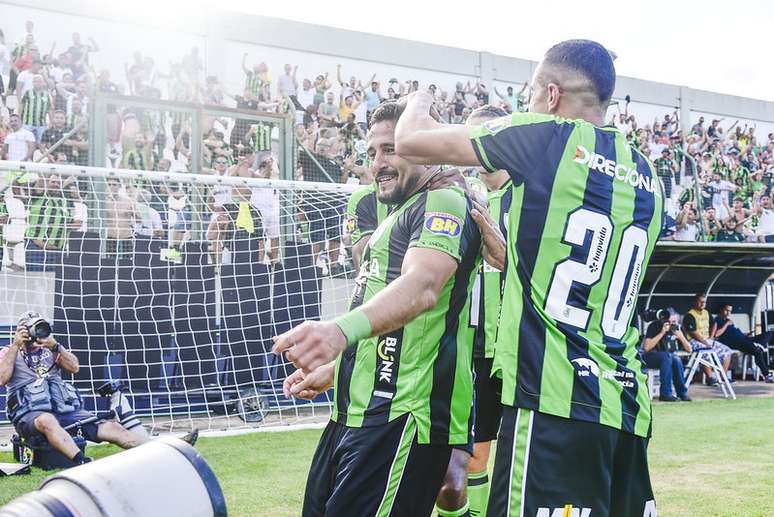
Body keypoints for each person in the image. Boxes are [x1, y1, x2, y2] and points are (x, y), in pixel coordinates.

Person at [394, 39, 660, 516]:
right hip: (624, 405)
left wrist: (419, 98)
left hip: (552, 399)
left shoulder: (546, 135)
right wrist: (511, 256)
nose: (526, 105)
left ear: (551, 96)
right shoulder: (647, 175)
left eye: (530, 94)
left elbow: (409, 141)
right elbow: (587, 277)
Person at [275, 101, 481, 517]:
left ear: (426, 147)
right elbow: (395, 320)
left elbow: (423, 288)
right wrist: (338, 370)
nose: (378, 164)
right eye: (371, 153)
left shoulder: (445, 201)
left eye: (391, 149)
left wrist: (337, 332)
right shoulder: (399, 212)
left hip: (403, 413)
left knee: (452, 488)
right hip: (355, 411)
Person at [0, 312, 197, 465]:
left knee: (111, 427)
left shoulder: (49, 349)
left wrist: (56, 346)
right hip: (29, 416)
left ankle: (169, 450)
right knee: (46, 420)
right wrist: (17, 345)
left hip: (62, 411)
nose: (38, 332)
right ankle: (82, 463)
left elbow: (74, 367)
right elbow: (2, 378)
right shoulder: (8, 351)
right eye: (32, 328)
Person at [711, 304, 774, 383]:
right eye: (726, 310)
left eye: (730, 311)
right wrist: (726, 324)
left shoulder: (728, 321)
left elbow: (736, 333)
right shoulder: (717, 320)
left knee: (770, 333)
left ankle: (760, 346)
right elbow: (716, 334)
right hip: (735, 342)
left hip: (745, 339)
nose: (728, 313)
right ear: (721, 310)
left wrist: (747, 334)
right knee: (757, 352)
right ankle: (767, 375)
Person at [641, 310, 692, 401]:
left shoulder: (678, 329)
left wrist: (681, 337)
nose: (672, 324)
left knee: (676, 359)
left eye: (674, 322)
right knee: (668, 356)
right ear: (664, 321)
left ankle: (682, 393)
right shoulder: (654, 326)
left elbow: (689, 350)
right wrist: (662, 333)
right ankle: (665, 394)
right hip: (650, 357)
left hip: (668, 359)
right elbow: (646, 348)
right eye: (670, 322)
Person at [683, 293, 734, 385]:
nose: (703, 304)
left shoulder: (706, 313)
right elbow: (693, 332)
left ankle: (722, 378)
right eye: (700, 302)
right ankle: (710, 378)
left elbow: (714, 324)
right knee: (706, 351)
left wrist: (711, 337)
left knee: (727, 351)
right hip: (693, 341)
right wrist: (705, 342)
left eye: (704, 302)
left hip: (707, 340)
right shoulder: (689, 315)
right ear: (695, 302)